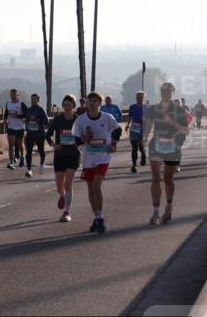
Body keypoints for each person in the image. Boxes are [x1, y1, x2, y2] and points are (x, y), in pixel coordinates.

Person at [73, 92, 120, 233]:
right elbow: (76, 140)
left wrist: (114, 144)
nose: (92, 103)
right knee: (90, 189)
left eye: (95, 101)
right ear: (87, 103)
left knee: (96, 185)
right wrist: (85, 138)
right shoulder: (81, 120)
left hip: (103, 157)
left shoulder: (107, 117)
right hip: (89, 158)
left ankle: (100, 217)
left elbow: (117, 130)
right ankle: (97, 217)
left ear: (100, 103)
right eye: (90, 101)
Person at [143, 82, 189, 225]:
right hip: (155, 146)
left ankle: (168, 206)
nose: (166, 93)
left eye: (169, 91)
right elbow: (149, 124)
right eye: (163, 90)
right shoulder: (153, 109)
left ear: (173, 93)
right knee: (155, 178)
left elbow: (185, 131)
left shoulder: (180, 110)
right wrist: (145, 137)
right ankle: (155, 212)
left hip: (172, 147)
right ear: (160, 92)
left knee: (168, 179)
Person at [46, 95, 80, 222]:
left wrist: (79, 142)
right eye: (65, 104)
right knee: (60, 186)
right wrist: (54, 145)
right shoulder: (58, 119)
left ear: (73, 106)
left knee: (68, 183)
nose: (67, 107)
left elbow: (83, 134)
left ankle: (67, 212)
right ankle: (62, 195)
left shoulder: (78, 120)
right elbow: (48, 135)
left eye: (69, 104)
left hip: (73, 154)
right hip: (60, 154)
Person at [23, 93, 49, 177]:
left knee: (41, 150)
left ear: (38, 100)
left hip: (40, 134)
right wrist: (26, 120)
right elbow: (26, 118)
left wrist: (38, 120)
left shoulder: (41, 110)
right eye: (31, 99)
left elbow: (46, 122)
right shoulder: (29, 110)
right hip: (30, 134)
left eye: (34, 99)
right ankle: (29, 170)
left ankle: (41, 163)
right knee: (28, 152)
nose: (32, 100)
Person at [3, 89, 27, 170]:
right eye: (11, 94)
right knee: (11, 145)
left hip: (20, 127)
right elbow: (6, 112)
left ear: (17, 95)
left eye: (14, 94)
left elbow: (27, 114)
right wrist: (5, 119)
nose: (12, 95)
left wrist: (19, 116)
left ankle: (22, 157)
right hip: (11, 127)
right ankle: (11, 161)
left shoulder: (21, 104)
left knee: (20, 144)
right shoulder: (8, 103)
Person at [127, 91, 148, 173]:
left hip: (143, 127)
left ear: (143, 98)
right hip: (134, 127)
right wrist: (128, 125)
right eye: (138, 97)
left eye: (141, 97)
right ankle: (134, 165)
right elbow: (129, 116)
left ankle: (143, 154)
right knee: (134, 147)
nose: (139, 99)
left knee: (141, 147)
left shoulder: (146, 107)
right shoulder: (132, 107)